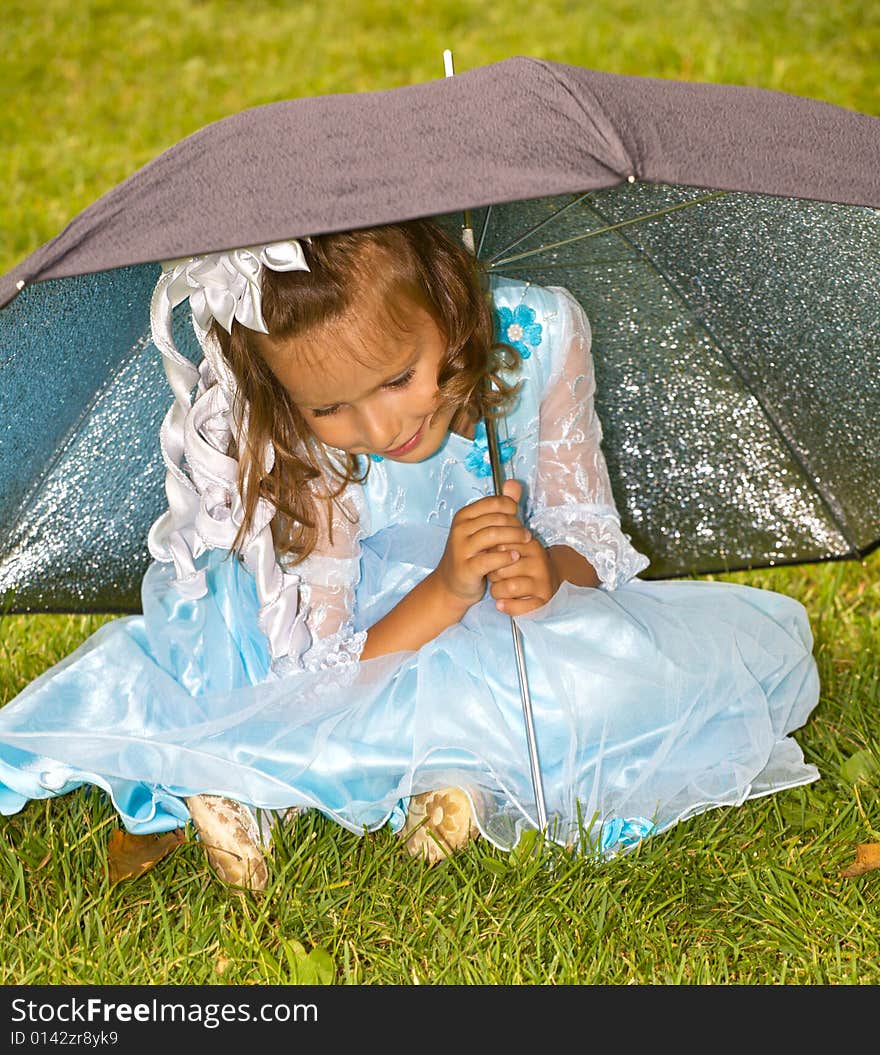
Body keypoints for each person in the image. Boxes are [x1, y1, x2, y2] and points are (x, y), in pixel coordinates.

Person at [0, 219, 821, 891]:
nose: (378, 427)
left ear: (448, 305)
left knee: (613, 677)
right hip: (371, 628)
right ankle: (262, 785)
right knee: (275, 686)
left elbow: (588, 534)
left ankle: (440, 783)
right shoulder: (309, 439)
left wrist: (549, 570)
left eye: (398, 377)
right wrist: (446, 586)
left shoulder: (544, 330)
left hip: (507, 622)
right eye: (332, 406)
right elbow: (330, 661)